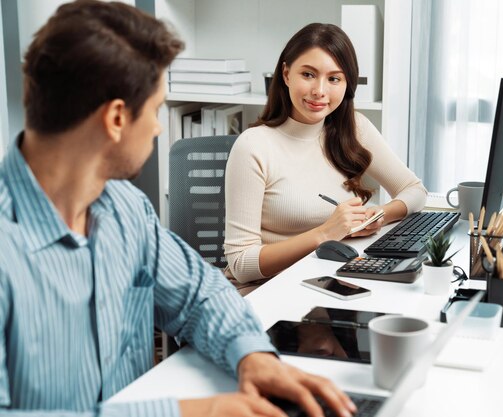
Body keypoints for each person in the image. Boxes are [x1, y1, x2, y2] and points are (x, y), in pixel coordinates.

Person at [0, 2, 357, 417]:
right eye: (155, 110)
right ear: (116, 118)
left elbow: (201, 296)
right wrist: (192, 412)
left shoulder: (126, 211)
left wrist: (253, 357)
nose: (157, 127)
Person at [224, 23, 427, 289]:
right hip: (267, 287)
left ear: (347, 84)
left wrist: (378, 215)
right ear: (286, 74)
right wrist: (326, 233)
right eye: (308, 74)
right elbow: (241, 264)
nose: (320, 91)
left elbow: (415, 191)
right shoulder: (254, 146)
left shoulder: (355, 128)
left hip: (331, 278)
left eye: (334, 79)